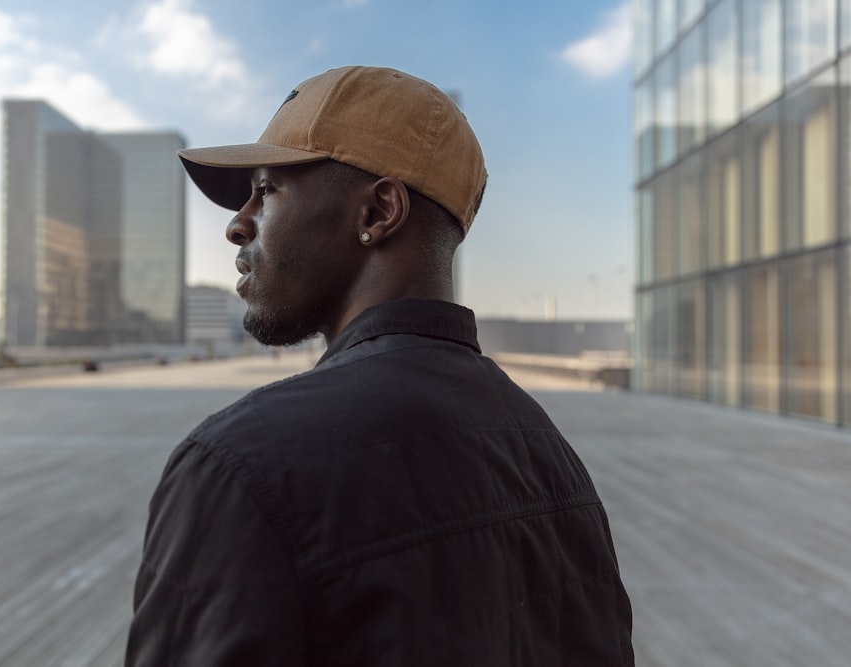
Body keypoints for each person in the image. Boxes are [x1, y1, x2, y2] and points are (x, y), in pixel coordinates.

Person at [125, 66, 633, 666]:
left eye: (267, 189)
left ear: (377, 212)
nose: (238, 223)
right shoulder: (550, 460)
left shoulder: (242, 466)